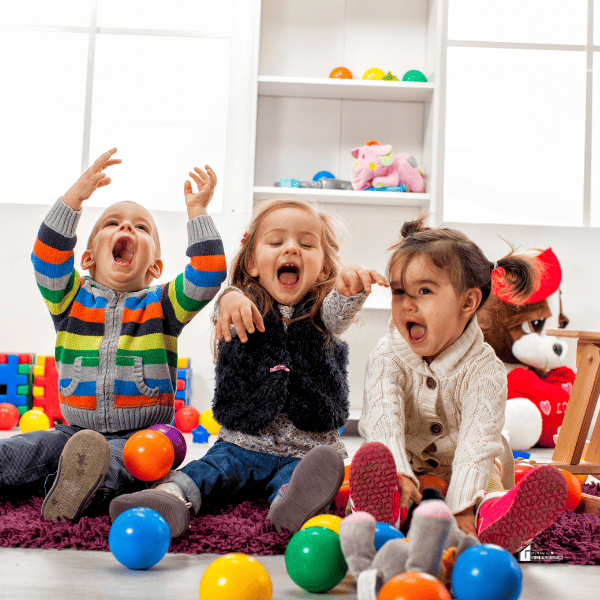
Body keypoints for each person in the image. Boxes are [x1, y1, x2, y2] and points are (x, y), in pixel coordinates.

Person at [110, 198, 388, 539]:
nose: (291, 250)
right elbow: (226, 309)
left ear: (325, 269)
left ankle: (290, 505)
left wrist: (349, 289)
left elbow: (338, 311)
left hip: (305, 451)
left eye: (305, 243)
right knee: (208, 471)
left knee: (300, 481)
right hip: (241, 444)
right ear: (254, 263)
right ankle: (168, 498)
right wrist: (229, 296)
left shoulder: (322, 316)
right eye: (276, 242)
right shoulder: (242, 306)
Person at [0, 148, 226, 523]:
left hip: (141, 434)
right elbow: (47, 255)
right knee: (27, 449)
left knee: (134, 461)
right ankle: (58, 477)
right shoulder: (68, 297)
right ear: (87, 258)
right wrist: (75, 198)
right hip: (72, 432)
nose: (126, 229)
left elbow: (207, 274)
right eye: (112, 223)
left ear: (155, 266)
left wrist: (198, 212)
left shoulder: (164, 304)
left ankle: (81, 488)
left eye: (141, 227)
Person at [349, 216, 567, 555]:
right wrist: (399, 471)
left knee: (488, 483)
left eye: (424, 291)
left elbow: (476, 445)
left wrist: (462, 508)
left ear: (468, 303)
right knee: (376, 461)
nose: (407, 303)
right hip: (409, 460)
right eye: (398, 291)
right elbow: (382, 419)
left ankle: (494, 519)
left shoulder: (485, 370)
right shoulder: (387, 356)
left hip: (470, 466)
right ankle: (386, 511)